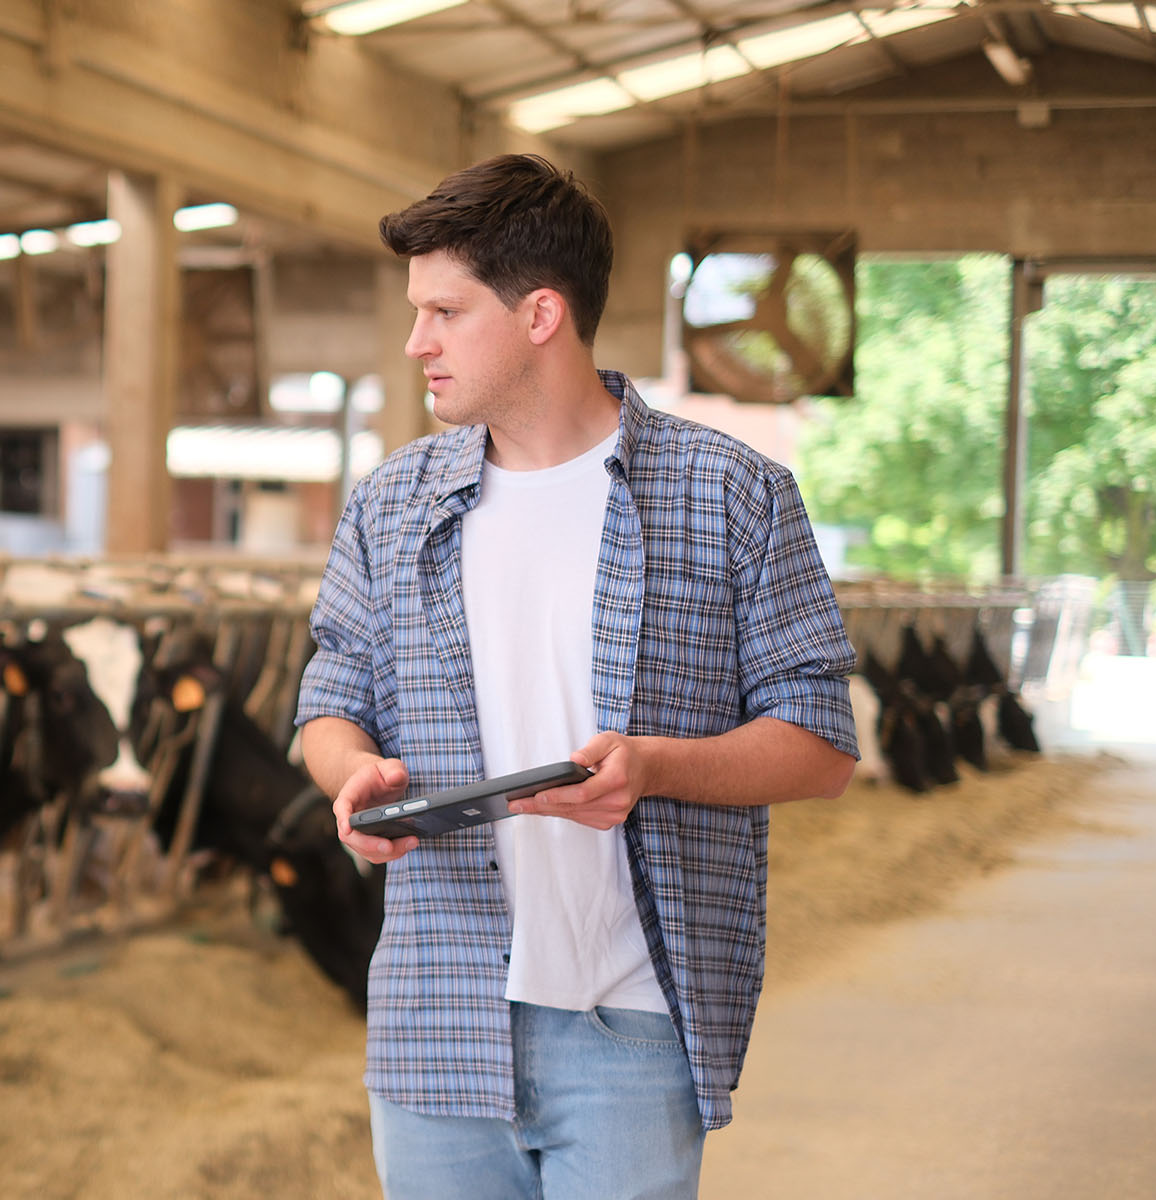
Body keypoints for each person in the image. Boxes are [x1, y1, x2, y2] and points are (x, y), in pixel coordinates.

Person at [295, 153, 859, 1199]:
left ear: (541, 314)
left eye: (445, 312)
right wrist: (351, 772)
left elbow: (823, 745)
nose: (417, 341)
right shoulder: (393, 503)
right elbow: (330, 700)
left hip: (629, 1026)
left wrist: (652, 767)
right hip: (435, 1023)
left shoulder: (733, 493)